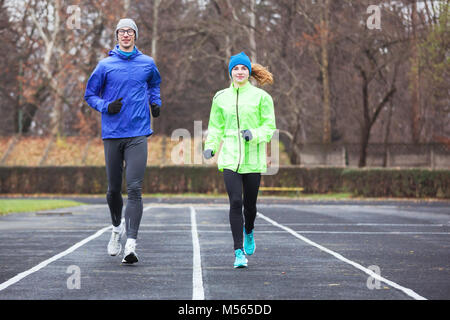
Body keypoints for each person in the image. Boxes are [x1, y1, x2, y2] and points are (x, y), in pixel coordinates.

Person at [84, 18, 162, 264]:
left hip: (138, 133)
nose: (126, 35)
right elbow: (89, 95)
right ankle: (116, 229)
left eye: (130, 31)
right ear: (117, 36)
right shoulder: (105, 65)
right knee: (113, 190)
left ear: (135, 35)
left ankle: (131, 244)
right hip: (113, 133)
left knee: (135, 188)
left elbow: (154, 84)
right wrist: (106, 106)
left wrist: (155, 102)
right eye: (122, 32)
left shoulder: (147, 63)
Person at [203, 52, 276, 268]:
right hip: (230, 158)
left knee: (249, 206)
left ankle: (249, 230)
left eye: (243, 68)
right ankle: (238, 252)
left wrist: (254, 135)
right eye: (236, 69)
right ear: (230, 72)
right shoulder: (220, 97)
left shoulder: (262, 98)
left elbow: (269, 127)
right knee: (235, 201)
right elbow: (215, 126)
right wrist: (210, 146)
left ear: (249, 72)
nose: (240, 72)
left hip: (253, 159)